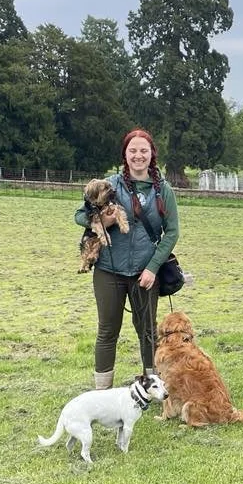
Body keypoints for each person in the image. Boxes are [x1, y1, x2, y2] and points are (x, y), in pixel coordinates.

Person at [76, 129, 180, 390]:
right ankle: (102, 391)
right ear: (125, 154)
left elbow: (173, 232)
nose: (138, 155)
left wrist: (153, 268)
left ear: (151, 154)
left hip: (145, 273)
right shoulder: (108, 185)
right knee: (107, 331)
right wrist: (102, 220)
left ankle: (152, 385)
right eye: (132, 150)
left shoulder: (163, 190)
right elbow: (79, 215)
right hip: (109, 270)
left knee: (147, 331)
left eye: (143, 150)